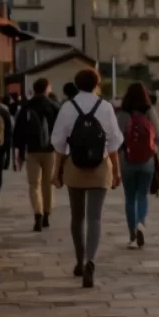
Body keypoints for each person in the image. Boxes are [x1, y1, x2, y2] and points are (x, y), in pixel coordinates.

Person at [52, 67, 123, 289]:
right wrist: (117, 171)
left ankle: (79, 260)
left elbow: (59, 143)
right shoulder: (106, 107)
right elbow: (114, 142)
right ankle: (91, 261)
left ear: (76, 84)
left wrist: (57, 172)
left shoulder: (67, 107)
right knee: (95, 218)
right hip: (100, 166)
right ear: (97, 84)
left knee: (77, 216)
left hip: (74, 166)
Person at [117, 82, 159, 249]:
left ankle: (132, 236)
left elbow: (117, 138)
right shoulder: (149, 111)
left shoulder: (124, 112)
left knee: (130, 198)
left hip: (127, 160)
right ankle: (141, 224)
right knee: (142, 195)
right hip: (147, 160)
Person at [13, 78, 60, 232]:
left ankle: (37, 213)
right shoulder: (53, 106)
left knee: (34, 184)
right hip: (50, 151)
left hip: (32, 151)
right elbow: (61, 129)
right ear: (47, 88)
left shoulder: (26, 107)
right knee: (47, 184)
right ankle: (47, 213)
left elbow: (18, 131)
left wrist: (19, 152)